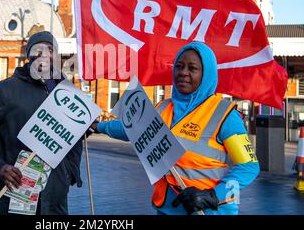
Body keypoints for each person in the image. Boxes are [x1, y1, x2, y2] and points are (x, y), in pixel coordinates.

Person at [94, 42, 260, 215]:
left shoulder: (225, 114)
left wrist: (212, 196)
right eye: (179, 66)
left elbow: (249, 167)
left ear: (206, 74)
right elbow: (131, 128)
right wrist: (98, 126)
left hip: (208, 212)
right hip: (167, 209)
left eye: (192, 68)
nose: (183, 72)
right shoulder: (163, 108)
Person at [0, 31, 83, 215]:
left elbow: (76, 137)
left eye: (50, 49)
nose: (44, 54)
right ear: (29, 56)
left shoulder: (69, 93)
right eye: (38, 50)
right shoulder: (8, 89)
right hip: (15, 196)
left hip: (55, 203)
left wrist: (69, 173)